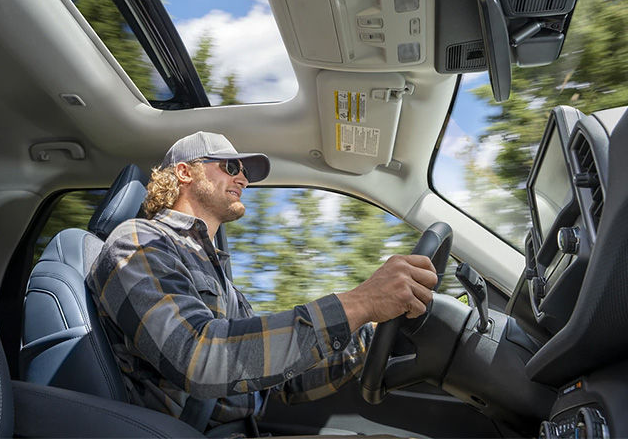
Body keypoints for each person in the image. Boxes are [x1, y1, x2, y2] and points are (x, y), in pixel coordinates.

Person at [88, 131, 437, 433]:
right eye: (231, 167)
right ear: (184, 172)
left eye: (244, 172)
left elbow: (284, 381)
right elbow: (198, 358)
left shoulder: (219, 277)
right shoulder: (137, 243)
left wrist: (369, 331)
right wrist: (361, 302)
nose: (243, 179)